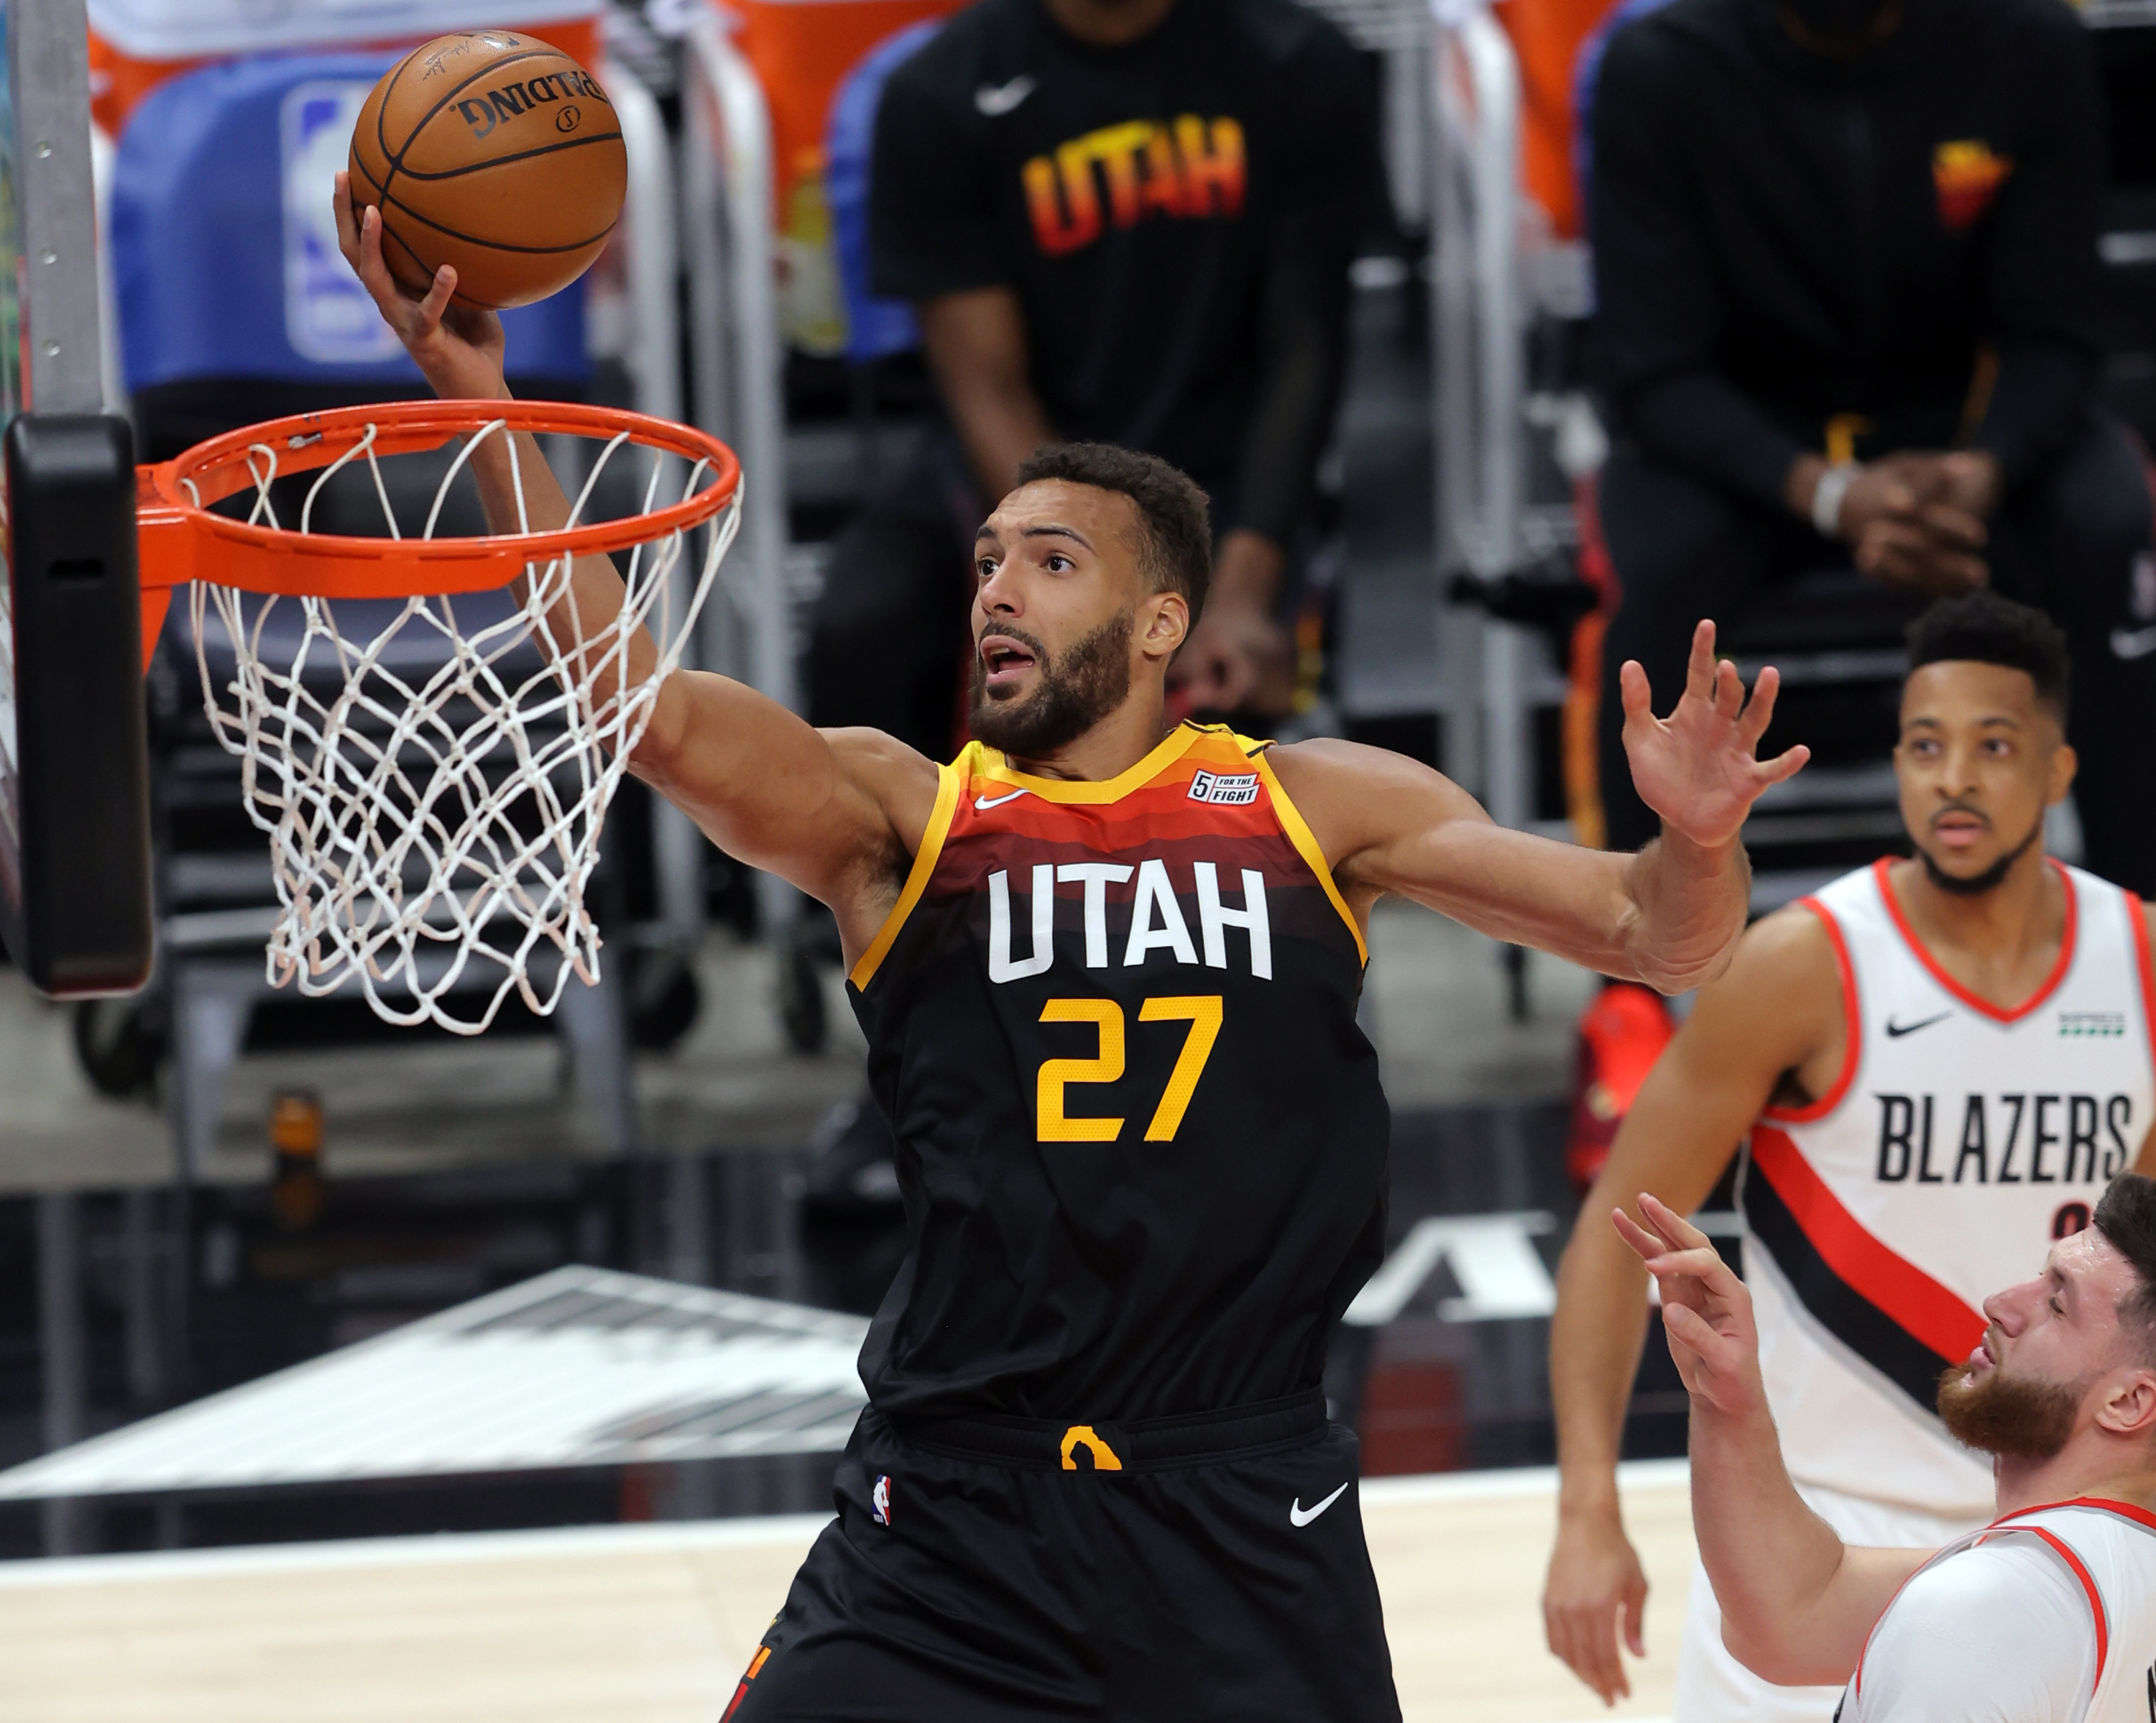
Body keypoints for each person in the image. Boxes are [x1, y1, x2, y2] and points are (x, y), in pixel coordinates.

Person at [333, 167, 1810, 1717]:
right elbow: (638, 699)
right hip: (953, 1524)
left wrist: (1698, 834)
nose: (996, 592)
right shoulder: (905, 816)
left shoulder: (1314, 804)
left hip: (1240, 1509)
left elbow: (1663, 940)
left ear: (1161, 623)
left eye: (1050, 560)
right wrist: (483, 399)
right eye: (984, 562)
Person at [1542, 592, 2156, 1716]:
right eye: (1926, 746)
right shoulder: (1803, 965)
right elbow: (1613, 1234)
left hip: (2058, 1530)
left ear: (2061, 773)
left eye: (1994, 746)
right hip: (1810, 1536)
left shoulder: (2144, 960)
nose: (1953, 778)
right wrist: (1588, 1502)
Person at [1588, 0, 2156, 896]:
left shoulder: (2026, 42)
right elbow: (1654, 369)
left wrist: (1984, 470)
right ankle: (1631, 975)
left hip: (1960, 438)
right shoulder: (1658, 67)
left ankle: (2141, 924)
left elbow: (2057, 329)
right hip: (1749, 440)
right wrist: (1830, 493)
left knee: (2108, 527)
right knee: (1663, 568)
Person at [807, 0, 1381, 754]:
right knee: (864, 632)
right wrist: (1103, 592)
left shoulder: (1301, 62)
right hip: (1017, 471)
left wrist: (1234, 597)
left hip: (1229, 487)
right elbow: (988, 390)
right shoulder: (940, 93)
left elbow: (1305, 352)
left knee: (1232, 695)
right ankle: (912, 873)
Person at [1619, 1178, 2156, 1721]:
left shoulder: (1982, 1610)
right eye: (2041, 1276)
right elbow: (1794, 1615)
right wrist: (1728, 1402)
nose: (2001, 1304)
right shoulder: (2111, 1573)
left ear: (2130, 1400)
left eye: (2057, 1304)